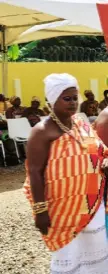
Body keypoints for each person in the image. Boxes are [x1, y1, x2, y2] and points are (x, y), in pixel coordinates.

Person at [24, 73, 108, 274]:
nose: (72, 103)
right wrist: (40, 210)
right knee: (68, 253)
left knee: (95, 248)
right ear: (52, 100)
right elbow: (34, 172)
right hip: (60, 206)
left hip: (91, 202)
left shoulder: (81, 123)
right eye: (66, 98)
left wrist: (105, 158)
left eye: (74, 98)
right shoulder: (41, 131)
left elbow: (98, 148)